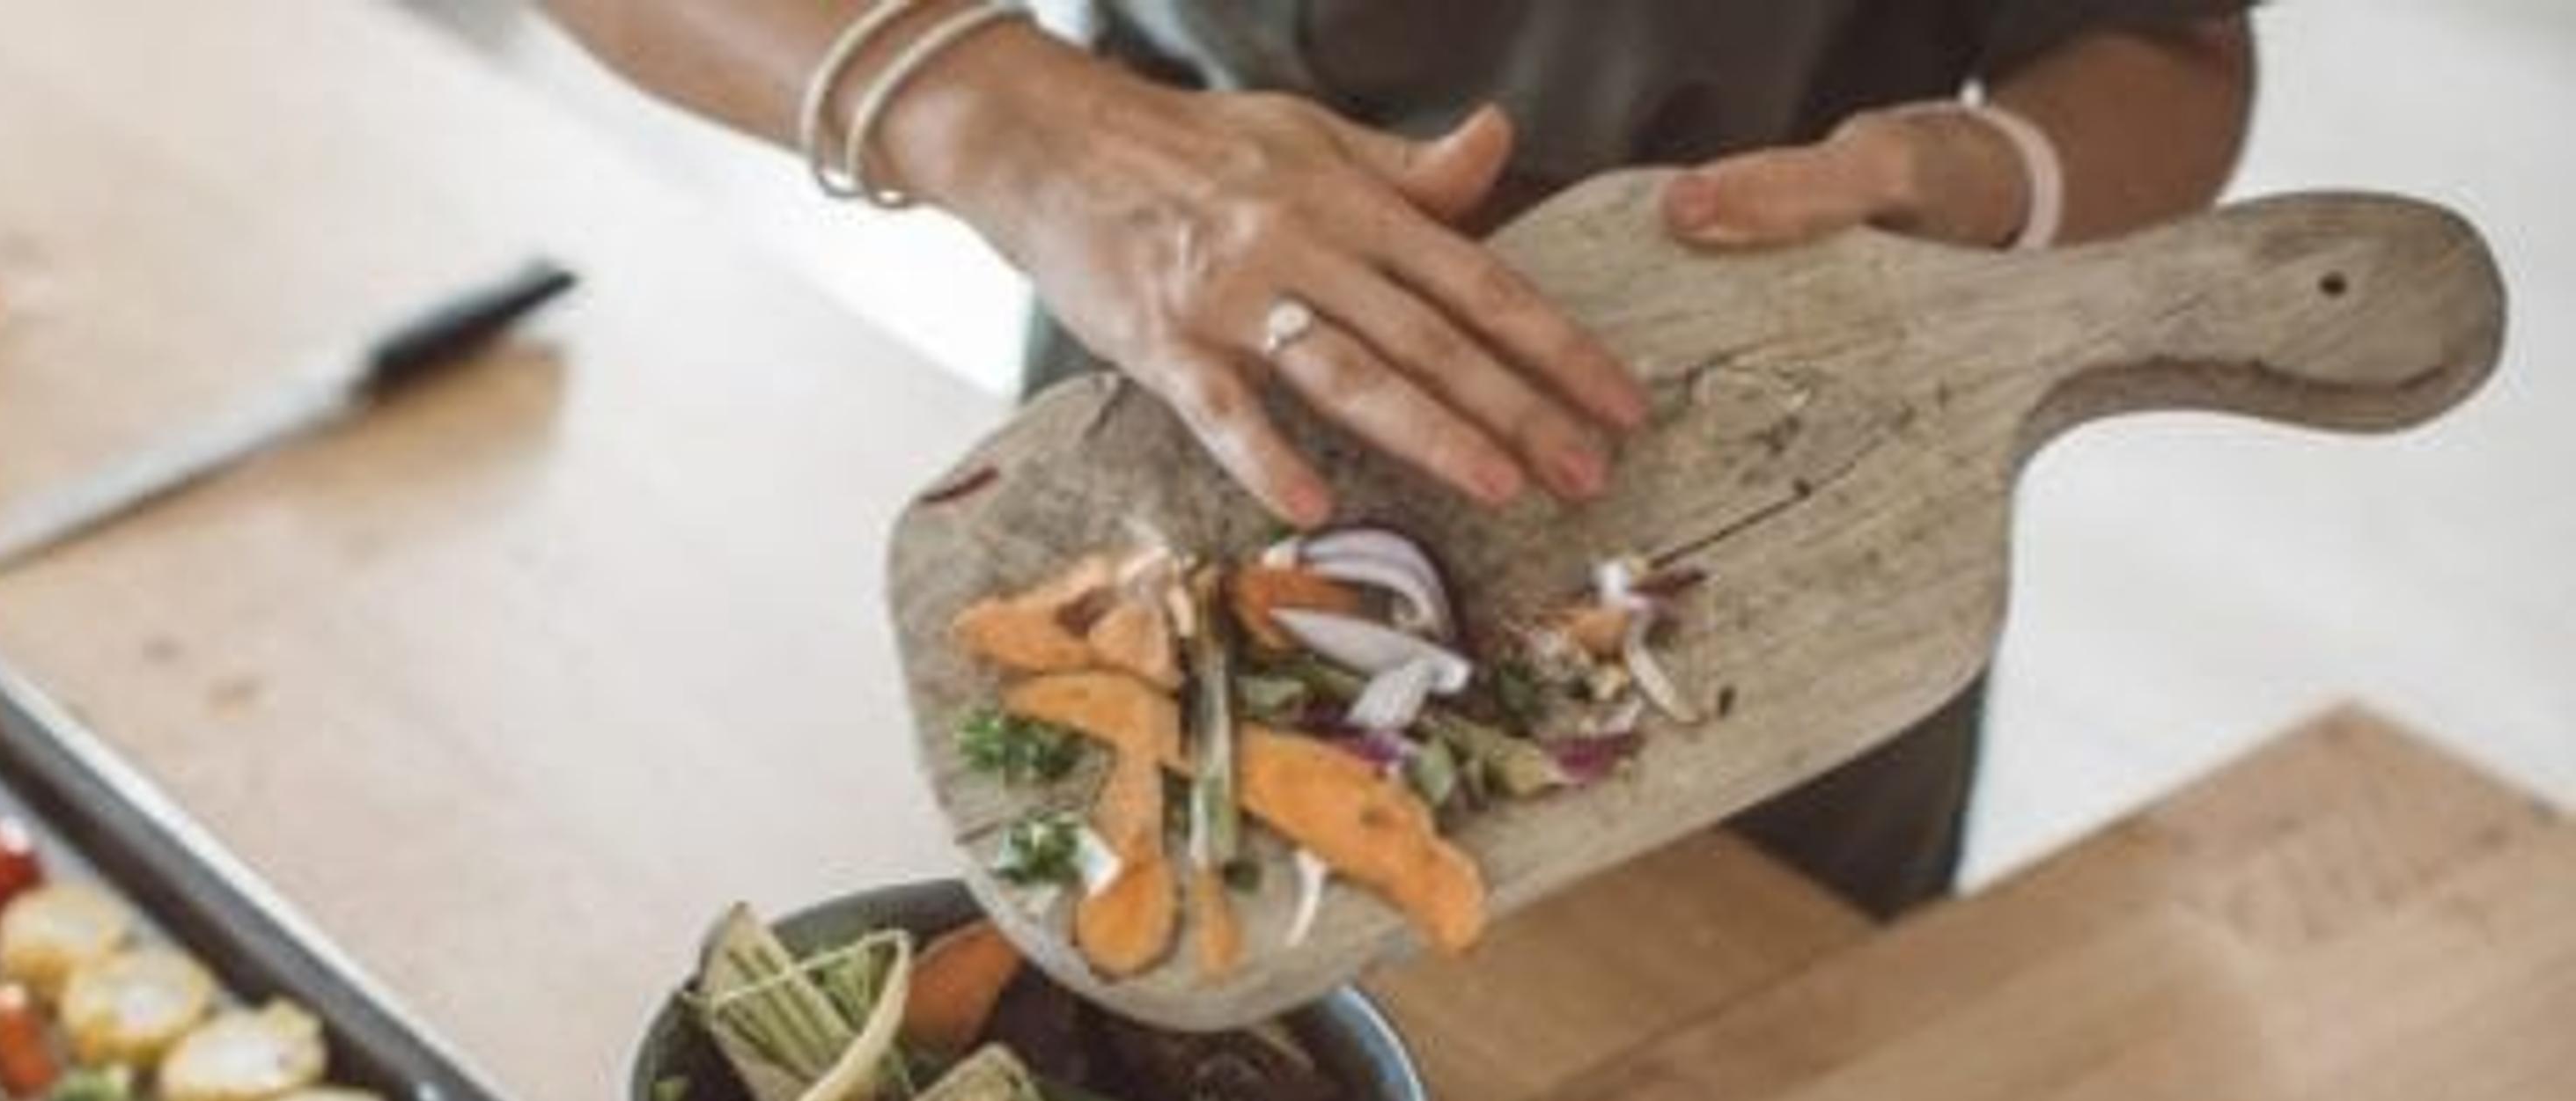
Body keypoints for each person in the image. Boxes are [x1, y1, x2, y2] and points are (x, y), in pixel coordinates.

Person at [543, 0, 2256, 916]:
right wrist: (1008, 119)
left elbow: (2166, 44)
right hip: (1204, 378)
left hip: (1786, 450)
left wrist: (1975, 178)